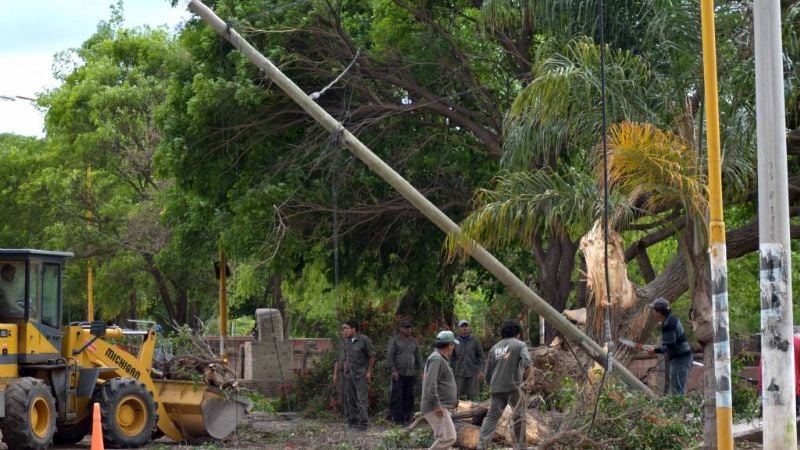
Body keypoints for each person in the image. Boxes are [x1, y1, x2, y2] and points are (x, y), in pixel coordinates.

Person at [477, 320, 532, 450]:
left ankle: (482, 445)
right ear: (517, 333)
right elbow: (528, 361)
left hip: (496, 388)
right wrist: (529, 379)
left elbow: (488, 372)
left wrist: (490, 385)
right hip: (513, 387)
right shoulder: (519, 344)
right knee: (520, 416)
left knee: (492, 417)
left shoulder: (494, 348)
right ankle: (520, 446)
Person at [638, 298, 693, 395]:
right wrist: (653, 348)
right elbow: (668, 343)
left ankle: (679, 410)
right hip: (680, 358)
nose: (653, 313)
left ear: (659, 312)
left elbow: (670, 346)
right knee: (677, 389)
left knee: (677, 391)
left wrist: (655, 351)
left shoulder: (668, 324)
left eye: (654, 310)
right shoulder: (670, 319)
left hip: (680, 359)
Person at [333, 320, 376, 430]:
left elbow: (372, 356)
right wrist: (335, 374)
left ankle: (363, 424)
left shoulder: (364, 340)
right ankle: (352, 422)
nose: (344, 331)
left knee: (362, 400)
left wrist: (369, 371)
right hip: (348, 376)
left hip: (361, 375)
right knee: (349, 399)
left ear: (353, 329)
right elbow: (338, 359)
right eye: (343, 329)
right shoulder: (344, 343)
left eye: (346, 328)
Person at [421, 330, 459, 450]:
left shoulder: (440, 358)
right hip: (436, 407)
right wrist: (437, 405)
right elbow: (430, 384)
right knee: (448, 438)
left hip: (441, 406)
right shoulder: (437, 359)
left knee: (444, 440)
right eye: (453, 344)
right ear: (449, 345)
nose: (453, 347)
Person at [387, 320, 423, 425]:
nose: (408, 330)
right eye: (406, 327)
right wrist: (393, 370)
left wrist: (421, 370)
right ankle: (396, 418)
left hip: (410, 373)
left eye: (409, 327)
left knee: (409, 396)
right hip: (398, 373)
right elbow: (390, 356)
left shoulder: (414, 341)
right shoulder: (395, 341)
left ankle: (406, 418)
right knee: (397, 396)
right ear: (401, 329)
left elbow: (418, 357)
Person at [452, 319, 485, 401]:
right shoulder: (455, 341)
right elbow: (451, 358)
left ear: (469, 327)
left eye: (466, 326)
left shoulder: (475, 340)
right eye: (462, 326)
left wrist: (481, 370)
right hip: (459, 373)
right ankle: (456, 413)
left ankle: (476, 413)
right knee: (456, 396)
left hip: (473, 373)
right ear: (458, 328)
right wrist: (450, 371)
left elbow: (481, 357)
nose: (464, 328)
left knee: (474, 398)